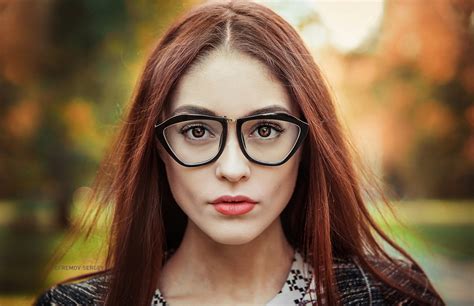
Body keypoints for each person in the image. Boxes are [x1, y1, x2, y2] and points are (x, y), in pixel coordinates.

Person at [34, 1, 445, 305]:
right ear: (160, 145)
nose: (232, 168)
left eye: (266, 129)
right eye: (197, 130)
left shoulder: (395, 299)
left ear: (307, 144)